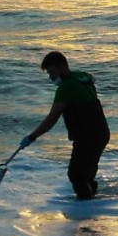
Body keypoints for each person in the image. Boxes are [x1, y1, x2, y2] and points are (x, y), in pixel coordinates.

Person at [20, 51, 110, 200]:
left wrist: (32, 136)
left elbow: (52, 117)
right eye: (49, 73)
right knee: (87, 174)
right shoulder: (82, 77)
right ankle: (92, 208)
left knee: (76, 175)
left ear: (62, 67)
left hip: (88, 136)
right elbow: (92, 77)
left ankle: (85, 210)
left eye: (52, 72)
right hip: (101, 133)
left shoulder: (66, 88)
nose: (51, 77)